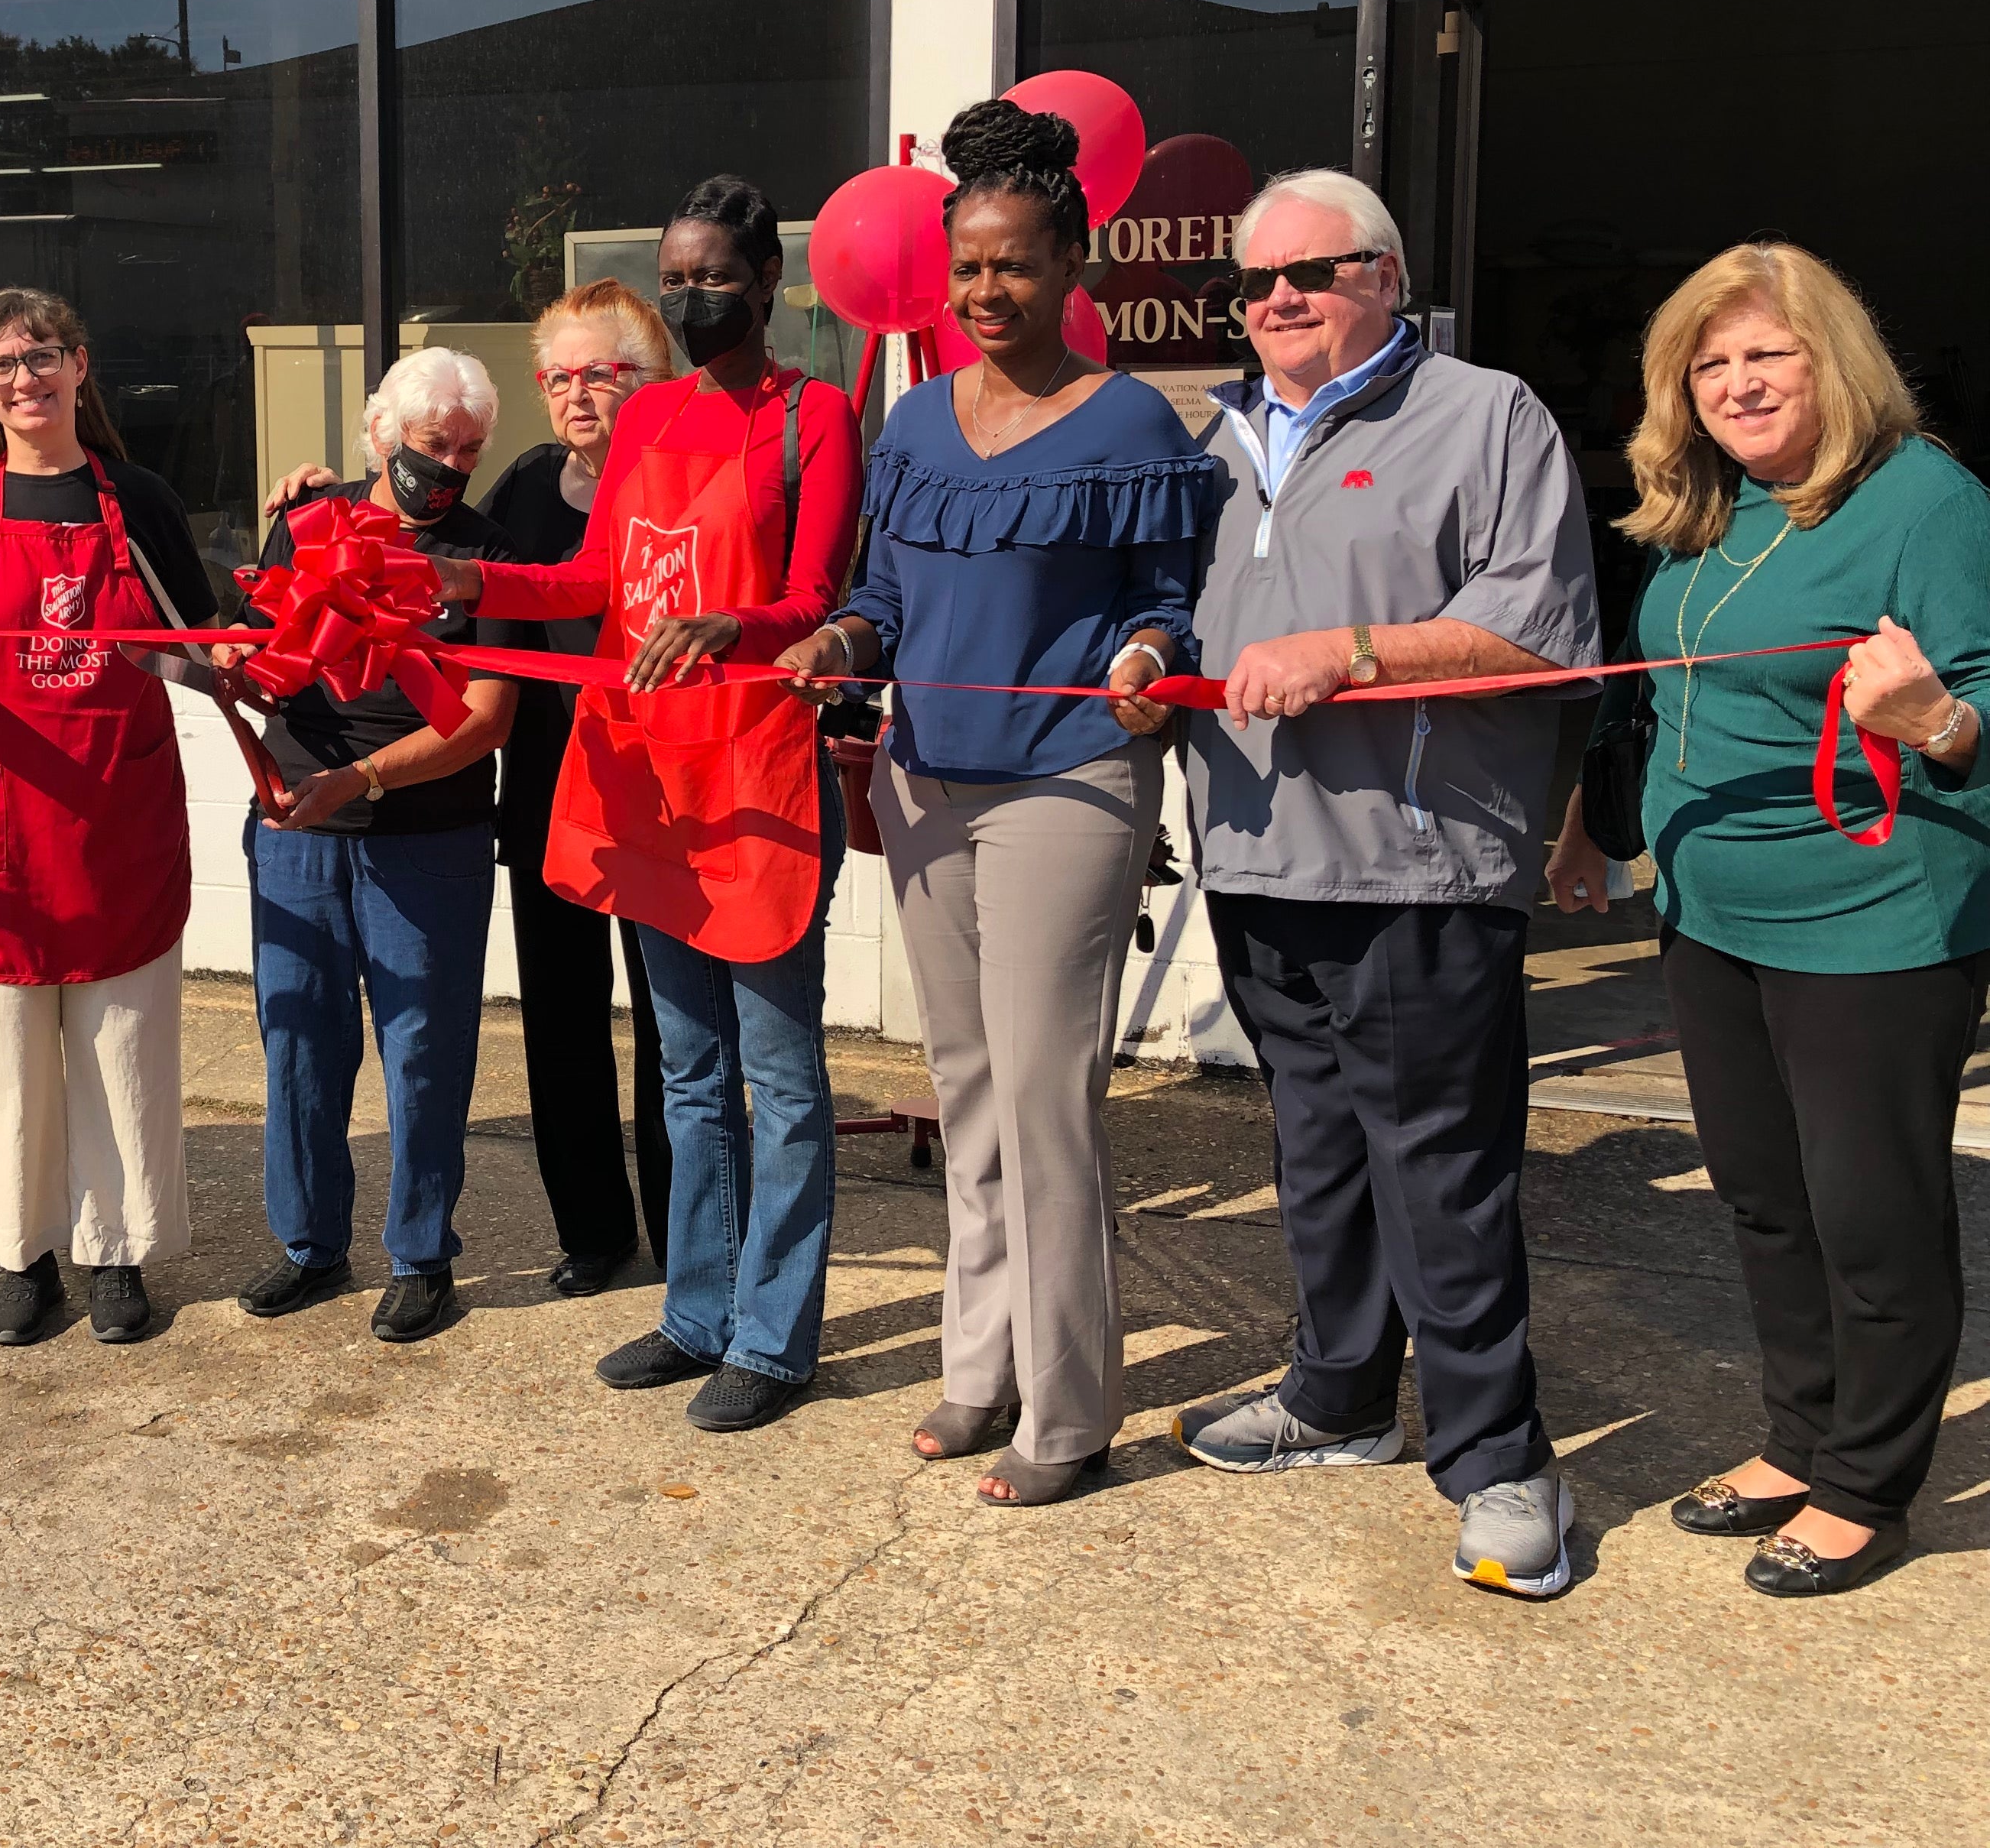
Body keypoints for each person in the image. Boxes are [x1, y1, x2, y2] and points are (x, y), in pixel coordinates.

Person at [1167, 170, 1600, 1599]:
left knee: (1445, 1172)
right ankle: (1338, 1395)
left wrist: (1356, 654)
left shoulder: (1487, 415)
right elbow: (1181, 612)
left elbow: (1534, 628)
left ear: (1389, 278)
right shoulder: (1214, 440)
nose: (1280, 298)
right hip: (1255, 852)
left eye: (1318, 270)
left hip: (1416, 865)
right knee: (1316, 1151)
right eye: (1256, 281)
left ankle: (1497, 1460)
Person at [779, 102, 1219, 1503]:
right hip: (924, 782)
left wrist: (1152, 658)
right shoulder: (912, 420)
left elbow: (1169, 604)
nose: (986, 293)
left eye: (1016, 265)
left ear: (1074, 265)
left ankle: (1072, 1411)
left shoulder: (1136, 421)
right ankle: (982, 1367)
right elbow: (888, 601)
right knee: (967, 1090)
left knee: (1043, 1099)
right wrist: (838, 649)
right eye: (969, 268)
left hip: (1067, 788)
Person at [1548, 243, 1990, 1598]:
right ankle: (1799, 1434)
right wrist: (1598, 822)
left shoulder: (1929, 503)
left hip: (1873, 920)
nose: (1736, 383)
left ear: (1833, 363)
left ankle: (1871, 1480)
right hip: (1710, 907)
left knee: (1871, 1209)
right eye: (1711, 360)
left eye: (1767, 355)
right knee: (1762, 1200)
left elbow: (1976, 704)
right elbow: (1663, 694)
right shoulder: (1706, 506)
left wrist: (1940, 722)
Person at [439, 175, 866, 1434]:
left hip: (762, 779)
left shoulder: (817, 416)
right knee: (688, 1070)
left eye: (716, 277)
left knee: (779, 1077)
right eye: (675, 277)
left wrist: (737, 622)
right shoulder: (647, 416)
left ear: (768, 283)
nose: (691, 298)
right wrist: (473, 575)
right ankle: (698, 1311)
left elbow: (818, 595)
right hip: (649, 778)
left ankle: (776, 1340)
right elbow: (587, 580)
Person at [0, 287, 214, 1347]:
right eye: (3, 367)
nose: (26, 381)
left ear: (80, 366)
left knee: (122, 1041)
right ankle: (23, 1256)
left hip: (118, 813)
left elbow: (195, 643)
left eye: (43, 359)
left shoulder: (141, 497)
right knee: (12, 1056)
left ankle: (116, 1252)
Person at [233, 347, 518, 1344]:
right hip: (297, 830)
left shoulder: (484, 556)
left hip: (425, 836)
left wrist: (361, 778)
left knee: (425, 1053)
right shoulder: (305, 525)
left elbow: (484, 719)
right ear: (379, 435)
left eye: (468, 452)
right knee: (301, 1046)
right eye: (430, 446)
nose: (446, 469)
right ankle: (310, 1248)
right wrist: (247, 721)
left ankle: (421, 1256)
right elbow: (254, 666)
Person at [476, 284, 675, 1298]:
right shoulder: (521, 490)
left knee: (668, 1025)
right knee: (559, 1018)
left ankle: (686, 1235)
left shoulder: (683, 484)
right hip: (550, 793)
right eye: (559, 377)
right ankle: (594, 1230)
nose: (577, 395)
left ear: (649, 378)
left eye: (601, 372)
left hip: (659, 799)